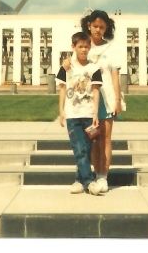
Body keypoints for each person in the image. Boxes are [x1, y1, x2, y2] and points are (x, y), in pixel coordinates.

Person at [63, 10, 122, 194]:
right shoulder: (83, 45)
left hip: (105, 98)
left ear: (107, 28)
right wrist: (65, 61)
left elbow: (115, 76)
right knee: (88, 141)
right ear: (88, 25)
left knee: (104, 138)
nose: (98, 30)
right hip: (85, 102)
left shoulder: (111, 48)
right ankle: (83, 178)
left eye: (102, 27)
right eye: (95, 26)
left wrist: (118, 99)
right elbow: (71, 67)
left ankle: (102, 176)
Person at [56, 31, 104, 195]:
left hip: (89, 114)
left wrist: (96, 113)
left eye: (86, 46)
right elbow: (62, 89)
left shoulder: (94, 68)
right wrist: (61, 111)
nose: (83, 49)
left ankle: (78, 181)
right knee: (79, 149)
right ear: (73, 47)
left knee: (87, 149)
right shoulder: (66, 67)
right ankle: (90, 182)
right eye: (80, 46)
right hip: (72, 115)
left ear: (90, 47)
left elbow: (96, 91)